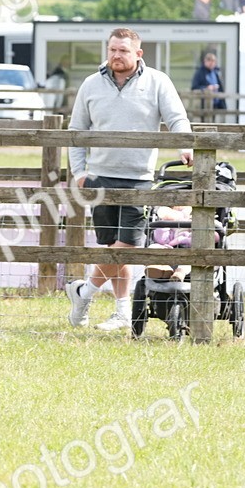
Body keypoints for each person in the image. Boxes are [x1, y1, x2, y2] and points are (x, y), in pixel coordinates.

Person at [66, 27, 194, 332]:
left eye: (122, 50)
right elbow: (76, 132)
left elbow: (176, 116)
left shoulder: (157, 82)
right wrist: (79, 173)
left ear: (138, 54)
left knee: (128, 246)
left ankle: (85, 292)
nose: (115, 56)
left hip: (138, 178)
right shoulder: (91, 84)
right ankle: (122, 311)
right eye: (111, 49)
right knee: (111, 245)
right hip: (99, 177)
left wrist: (185, 143)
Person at [189, 51, 226, 121]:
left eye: (213, 61)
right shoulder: (199, 73)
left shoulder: (216, 73)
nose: (211, 63)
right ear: (205, 61)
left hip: (215, 103)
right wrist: (206, 88)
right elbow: (194, 87)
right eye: (209, 61)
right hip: (203, 104)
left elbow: (220, 88)